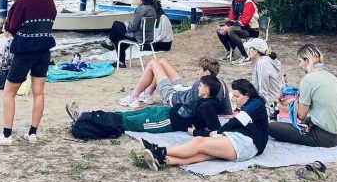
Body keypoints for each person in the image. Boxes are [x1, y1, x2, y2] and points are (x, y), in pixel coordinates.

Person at [0, 0, 57, 146]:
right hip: (43, 51)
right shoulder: (50, 1)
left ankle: (7, 134)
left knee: (9, 92)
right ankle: (32, 132)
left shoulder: (22, 1)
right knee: (39, 93)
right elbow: (52, 20)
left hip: (25, 51)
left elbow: (11, 27)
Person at [139, 79, 270, 170]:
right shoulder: (251, 104)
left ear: (247, 94)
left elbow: (235, 122)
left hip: (248, 143)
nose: (235, 99)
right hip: (247, 142)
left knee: (200, 142)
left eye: (237, 96)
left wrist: (216, 132)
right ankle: (164, 160)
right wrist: (216, 132)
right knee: (202, 155)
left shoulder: (255, 104)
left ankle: (160, 151)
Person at [66, 75, 224, 136]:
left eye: (202, 86)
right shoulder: (205, 102)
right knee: (124, 114)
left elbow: (216, 131)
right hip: (165, 111)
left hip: (167, 121)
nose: (198, 88)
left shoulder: (208, 106)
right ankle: (86, 114)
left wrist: (196, 132)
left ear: (208, 90)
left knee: (126, 122)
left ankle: (85, 117)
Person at [268, 44, 337, 148]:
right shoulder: (330, 75)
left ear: (306, 60)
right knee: (308, 120)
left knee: (271, 127)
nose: (300, 65)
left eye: (300, 61)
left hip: (325, 137)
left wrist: (290, 100)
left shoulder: (308, 79)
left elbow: (301, 115)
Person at [117, 56, 231, 114]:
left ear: (206, 73)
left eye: (199, 70)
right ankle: (147, 94)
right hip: (185, 90)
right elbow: (227, 110)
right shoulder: (222, 84)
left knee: (153, 64)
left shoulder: (200, 84)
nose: (197, 73)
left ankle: (133, 97)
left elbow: (190, 106)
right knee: (161, 62)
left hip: (173, 96)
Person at [105, 0, 157, 67]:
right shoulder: (152, 9)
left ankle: (110, 43)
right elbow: (141, 24)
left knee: (116, 25)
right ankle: (119, 58)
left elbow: (132, 28)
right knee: (118, 37)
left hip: (138, 37)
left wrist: (127, 24)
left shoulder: (140, 9)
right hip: (148, 37)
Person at [216, 0, 259, 64]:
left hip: (251, 29)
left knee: (231, 31)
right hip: (240, 28)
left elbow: (243, 22)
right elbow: (231, 18)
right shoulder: (234, 2)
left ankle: (245, 55)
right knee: (219, 30)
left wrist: (228, 28)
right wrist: (225, 26)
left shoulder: (248, 3)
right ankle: (230, 51)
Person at [243, 37, 284, 104]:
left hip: (270, 103)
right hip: (273, 99)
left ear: (255, 51)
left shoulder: (263, 63)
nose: (248, 51)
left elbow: (263, 90)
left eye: (249, 48)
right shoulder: (264, 60)